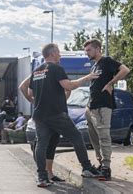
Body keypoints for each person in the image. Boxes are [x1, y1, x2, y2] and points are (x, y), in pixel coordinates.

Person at [28, 43, 101, 187]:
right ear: (53, 53)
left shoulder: (36, 71)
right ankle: (86, 168)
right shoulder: (56, 68)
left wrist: (44, 98)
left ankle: (42, 177)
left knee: (42, 144)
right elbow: (69, 86)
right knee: (76, 137)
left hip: (39, 114)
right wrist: (88, 77)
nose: (60, 55)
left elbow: (31, 94)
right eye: (58, 52)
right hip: (56, 113)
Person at [83, 39, 130, 181]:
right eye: (85, 51)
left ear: (97, 49)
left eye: (89, 50)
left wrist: (111, 83)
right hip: (91, 107)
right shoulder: (94, 66)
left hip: (103, 106)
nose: (87, 53)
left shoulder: (107, 61)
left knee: (104, 136)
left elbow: (125, 70)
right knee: (94, 138)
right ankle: (100, 164)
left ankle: (106, 168)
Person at [19, 76, 66, 183]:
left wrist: (32, 101)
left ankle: (48, 173)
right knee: (43, 143)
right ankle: (43, 173)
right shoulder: (44, 73)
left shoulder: (41, 73)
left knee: (50, 142)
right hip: (49, 114)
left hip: (45, 112)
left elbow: (22, 87)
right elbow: (22, 87)